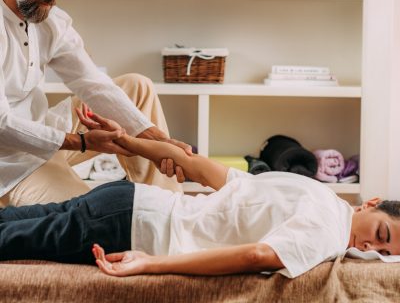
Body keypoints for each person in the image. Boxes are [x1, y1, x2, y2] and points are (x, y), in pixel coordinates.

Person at [0, 109, 399, 279]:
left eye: (382, 253)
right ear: (371, 202)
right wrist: (150, 264)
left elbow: (204, 169)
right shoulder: (329, 231)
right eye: (381, 234)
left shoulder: (314, 190)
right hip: (134, 227)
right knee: (9, 239)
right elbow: (257, 255)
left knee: (13, 224)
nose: (368, 246)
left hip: (125, 199)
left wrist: (129, 142)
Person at [0, 0, 191, 207]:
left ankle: (169, 210)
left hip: (45, 130)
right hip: (10, 165)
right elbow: (3, 126)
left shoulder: (51, 21)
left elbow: (91, 82)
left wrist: (156, 138)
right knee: (93, 215)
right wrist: (83, 141)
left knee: (138, 86)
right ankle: (135, 221)